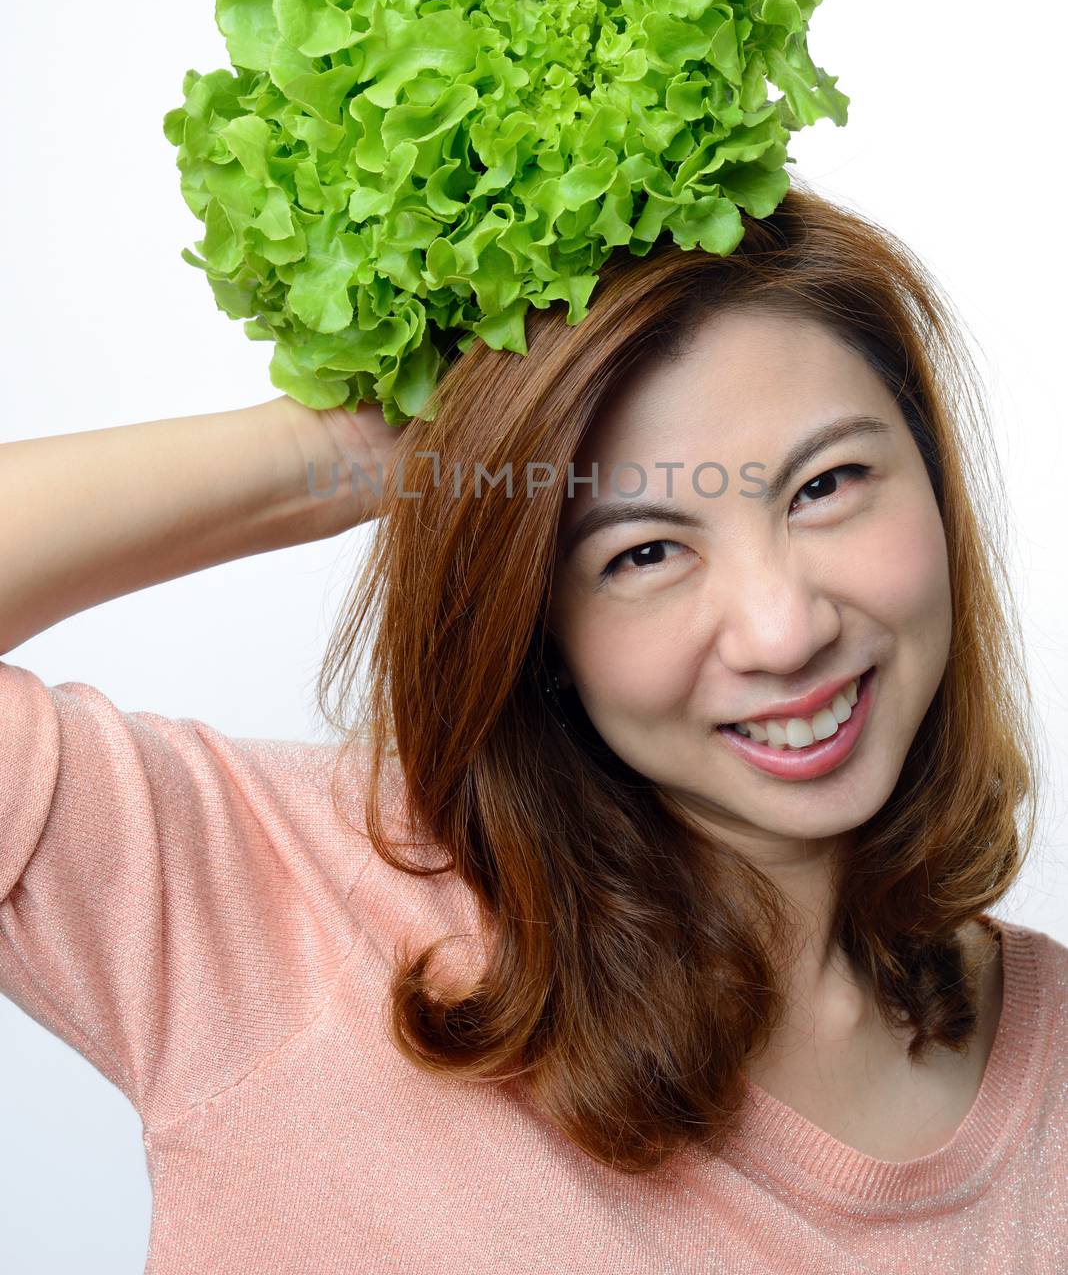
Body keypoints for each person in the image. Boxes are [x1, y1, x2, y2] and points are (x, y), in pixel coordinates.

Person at [1, 180, 1064, 1274]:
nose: (782, 629)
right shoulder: (278, 914)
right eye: (642, 551)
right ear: (539, 621)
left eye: (827, 484)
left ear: (934, 483)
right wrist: (359, 451)